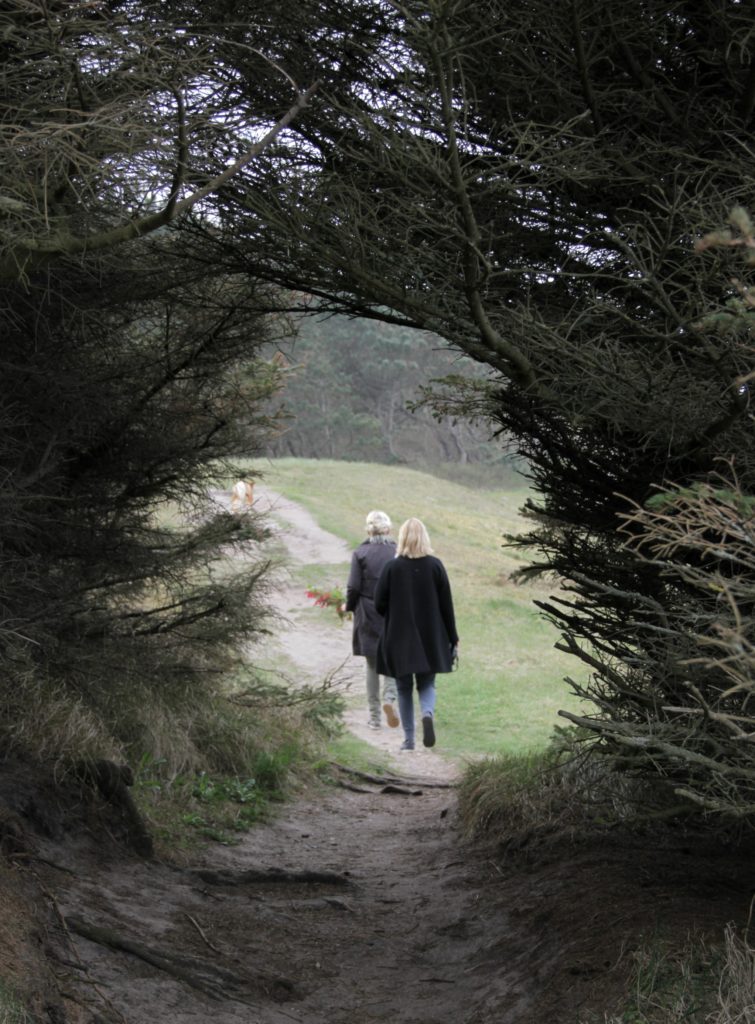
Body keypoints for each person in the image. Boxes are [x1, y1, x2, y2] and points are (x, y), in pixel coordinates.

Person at [374, 517, 459, 751]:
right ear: (425, 538)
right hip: (431, 636)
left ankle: (409, 740)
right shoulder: (435, 565)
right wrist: (453, 637)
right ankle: (428, 714)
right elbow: (446, 606)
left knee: (403, 688)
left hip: (399, 637)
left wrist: (394, 612)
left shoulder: (391, 567)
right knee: (427, 684)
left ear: (401, 538)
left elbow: (378, 603)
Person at [342, 510, 400, 730]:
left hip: (368, 612)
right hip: (393, 613)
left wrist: (348, 606)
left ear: (369, 529)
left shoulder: (361, 552)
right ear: (388, 529)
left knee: (372, 665)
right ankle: (389, 700)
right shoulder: (397, 552)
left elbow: (353, 587)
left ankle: (375, 718)